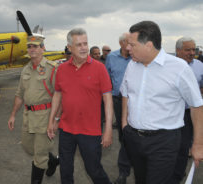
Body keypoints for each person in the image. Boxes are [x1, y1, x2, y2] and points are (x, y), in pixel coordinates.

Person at [120, 21, 203, 184]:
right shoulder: (132, 65)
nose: (127, 48)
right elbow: (126, 94)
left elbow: (196, 105)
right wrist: (124, 125)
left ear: (149, 45)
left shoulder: (178, 68)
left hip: (164, 142)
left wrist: (198, 144)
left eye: (132, 44)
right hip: (134, 139)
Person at [47, 28, 113, 184]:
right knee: (65, 169)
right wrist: (52, 120)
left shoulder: (99, 68)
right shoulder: (62, 69)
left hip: (90, 131)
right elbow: (58, 94)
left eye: (85, 43)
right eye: (79, 44)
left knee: (93, 170)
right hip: (66, 129)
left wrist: (108, 129)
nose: (84, 48)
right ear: (69, 48)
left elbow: (108, 99)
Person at [8, 35, 59, 184]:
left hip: (45, 116)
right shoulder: (25, 70)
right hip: (28, 115)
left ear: (42, 48)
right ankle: (53, 161)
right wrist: (12, 115)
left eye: (36, 46)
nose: (32, 49)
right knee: (29, 147)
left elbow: (59, 95)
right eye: (29, 47)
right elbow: (19, 94)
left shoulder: (52, 68)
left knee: (39, 156)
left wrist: (55, 120)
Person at [172, 37, 203, 183]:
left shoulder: (199, 66)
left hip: (189, 114)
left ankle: (177, 176)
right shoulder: (170, 66)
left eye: (194, 49)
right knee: (170, 147)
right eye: (188, 50)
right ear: (178, 51)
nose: (192, 53)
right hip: (171, 114)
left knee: (183, 148)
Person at [105, 33, 131, 184]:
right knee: (123, 134)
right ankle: (125, 166)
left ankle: (125, 169)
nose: (131, 45)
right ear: (121, 43)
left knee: (131, 134)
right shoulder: (111, 57)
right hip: (118, 100)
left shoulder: (137, 57)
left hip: (135, 101)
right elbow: (107, 78)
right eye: (128, 42)